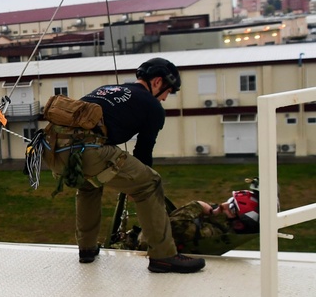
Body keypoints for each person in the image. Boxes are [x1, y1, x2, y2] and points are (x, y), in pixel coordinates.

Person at [41, 58, 205, 273]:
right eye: (168, 91)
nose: (165, 97)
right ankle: (163, 256)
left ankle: (87, 249)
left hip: (52, 148)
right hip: (86, 152)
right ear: (157, 82)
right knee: (150, 182)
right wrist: (137, 184)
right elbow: (143, 152)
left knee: (89, 184)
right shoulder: (153, 106)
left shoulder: (106, 88)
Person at [112, 186, 261, 255]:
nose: (223, 205)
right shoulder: (218, 222)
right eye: (230, 200)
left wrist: (197, 206)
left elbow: (174, 225)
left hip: (135, 249)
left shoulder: (213, 233)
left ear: (239, 223)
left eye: (232, 208)